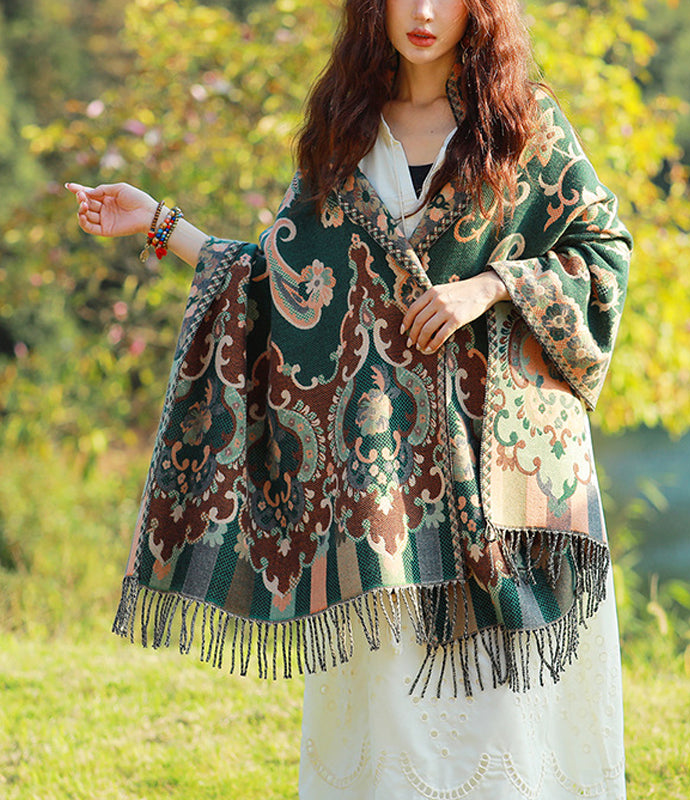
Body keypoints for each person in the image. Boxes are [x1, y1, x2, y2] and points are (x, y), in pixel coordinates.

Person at [68, 0, 631, 796]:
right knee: (390, 715)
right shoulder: (344, 134)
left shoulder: (523, 125)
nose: (425, 12)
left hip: (507, 482)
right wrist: (162, 224)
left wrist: (489, 286)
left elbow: (601, 255)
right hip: (380, 497)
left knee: (507, 726)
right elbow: (281, 282)